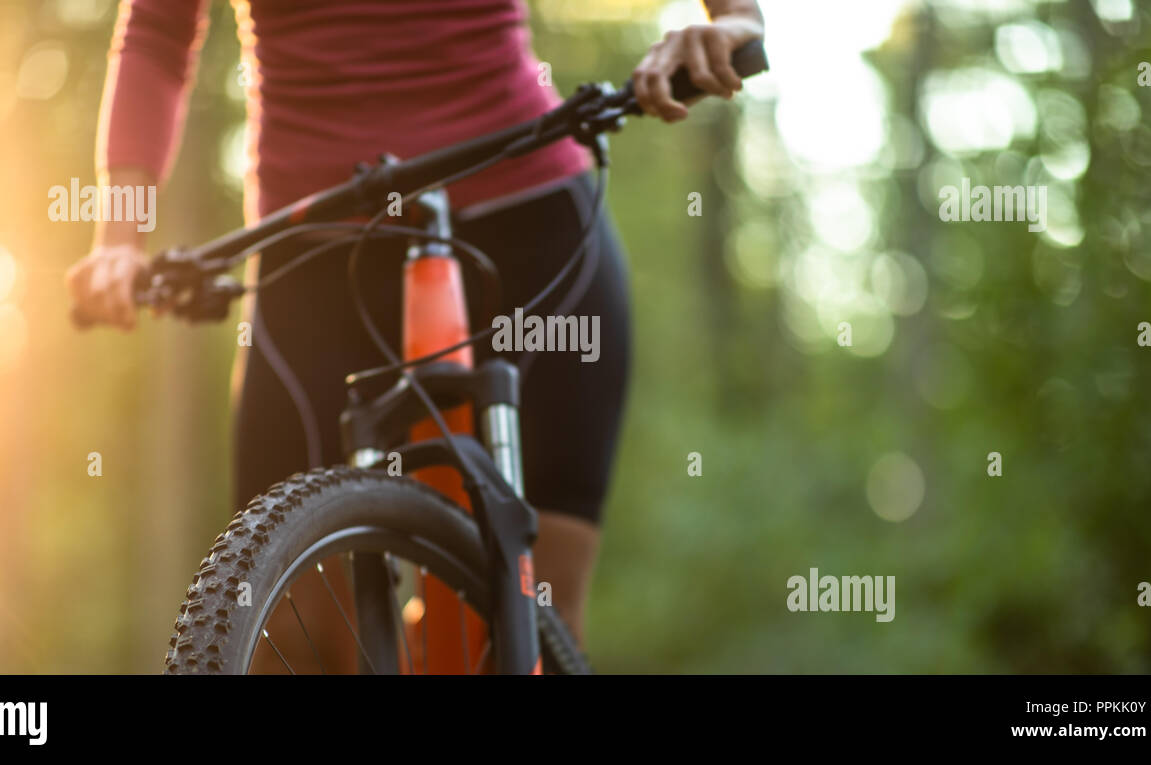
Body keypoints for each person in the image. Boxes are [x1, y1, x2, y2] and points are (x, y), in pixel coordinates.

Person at [66, 0, 764, 653]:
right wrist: (118, 238)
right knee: (297, 630)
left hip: (528, 223)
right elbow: (156, 33)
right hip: (315, 251)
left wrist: (734, 17)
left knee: (528, 621)